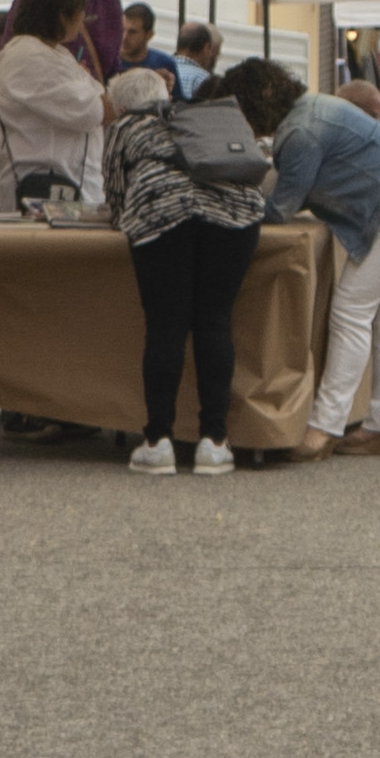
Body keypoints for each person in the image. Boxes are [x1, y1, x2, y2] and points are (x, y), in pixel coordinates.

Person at [234, 58, 380, 459]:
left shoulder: (299, 131)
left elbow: (281, 208)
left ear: (259, 100)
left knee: (351, 312)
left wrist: (234, 205)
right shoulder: (310, 109)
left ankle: (323, 429)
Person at [105, 64, 261, 477]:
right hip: (235, 214)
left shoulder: (126, 127)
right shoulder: (200, 119)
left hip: (160, 214)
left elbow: (115, 194)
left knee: (166, 326)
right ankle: (214, 442)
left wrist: (124, 217)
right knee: (215, 320)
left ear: (121, 107)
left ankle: (158, 442)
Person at [0, 0, 109, 214]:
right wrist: (141, 90)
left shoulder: (53, 53)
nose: (82, 16)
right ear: (60, 13)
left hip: (69, 194)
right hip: (47, 200)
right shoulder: (28, 55)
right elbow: (95, 110)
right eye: (78, 9)